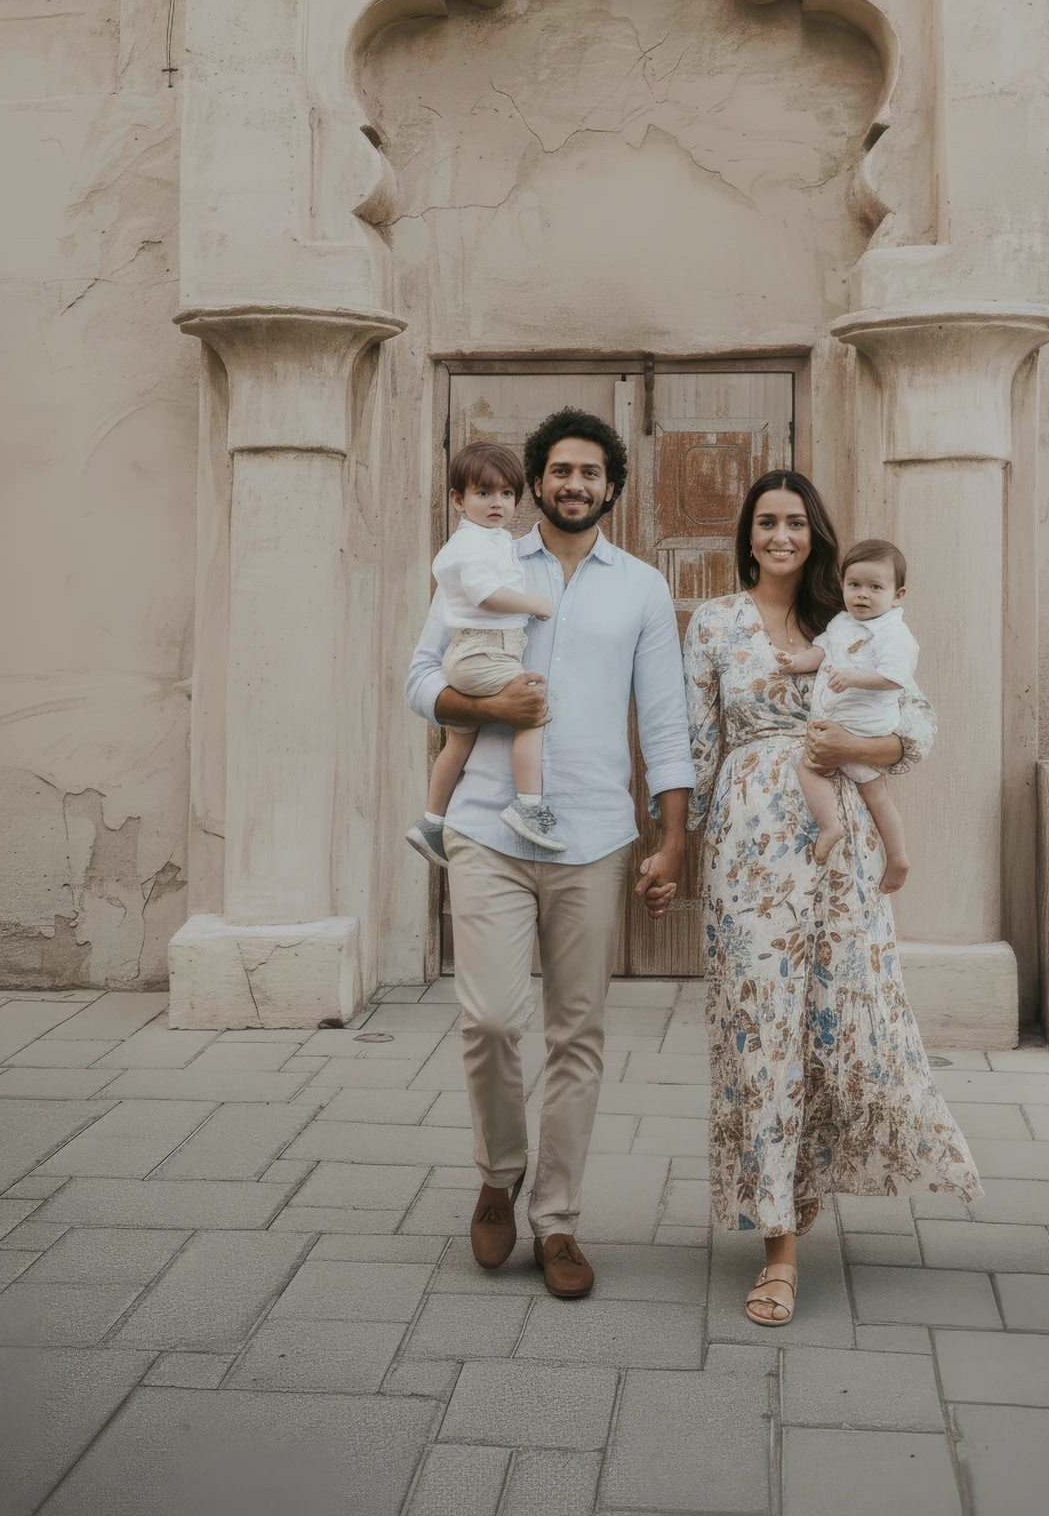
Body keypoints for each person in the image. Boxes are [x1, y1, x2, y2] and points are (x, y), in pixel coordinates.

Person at [405, 407, 693, 1300]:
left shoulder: (640, 587)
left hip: (595, 837)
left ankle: (558, 1220)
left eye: (591, 473)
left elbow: (665, 716)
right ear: (537, 482)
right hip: (488, 826)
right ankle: (500, 1171)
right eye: (559, 471)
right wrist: (489, 712)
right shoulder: (483, 559)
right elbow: (420, 681)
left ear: (613, 485)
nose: (575, 484)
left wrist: (672, 835)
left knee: (578, 1033)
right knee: (490, 1020)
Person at [683, 470, 980, 1330]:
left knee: (842, 1021)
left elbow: (914, 727)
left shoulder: (849, 619)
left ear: (815, 532)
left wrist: (864, 741)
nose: (781, 536)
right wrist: (684, 844)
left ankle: (813, 1183)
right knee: (762, 1027)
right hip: (747, 846)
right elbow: (700, 742)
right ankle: (777, 1242)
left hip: (836, 840)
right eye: (766, 522)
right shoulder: (712, 621)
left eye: (795, 523)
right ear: (748, 534)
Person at [405, 442, 565, 865]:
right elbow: (485, 594)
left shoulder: (489, 539)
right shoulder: (472, 544)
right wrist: (535, 603)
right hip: (484, 653)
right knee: (530, 710)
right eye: (483, 494)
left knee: (459, 742)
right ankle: (528, 805)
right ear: (458, 500)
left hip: (471, 653)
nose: (497, 503)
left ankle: (431, 822)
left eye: (507, 495)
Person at [774, 537, 917, 888]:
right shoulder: (842, 623)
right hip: (835, 722)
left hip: (865, 729)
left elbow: (895, 679)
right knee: (836, 779)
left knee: (865, 790)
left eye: (875, 588)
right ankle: (836, 827)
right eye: (854, 586)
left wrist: (854, 678)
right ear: (843, 586)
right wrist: (795, 662)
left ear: (897, 595)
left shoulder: (895, 634)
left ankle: (891, 854)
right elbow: (821, 651)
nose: (862, 595)